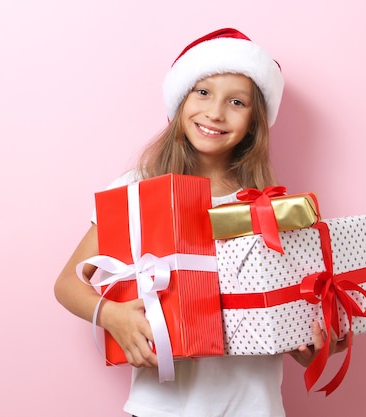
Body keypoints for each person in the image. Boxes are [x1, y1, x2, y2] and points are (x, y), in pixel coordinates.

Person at [54, 28, 349, 417]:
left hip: (255, 408)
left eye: (237, 101)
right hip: (163, 407)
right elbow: (66, 283)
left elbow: (299, 320)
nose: (215, 112)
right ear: (181, 100)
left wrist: (314, 340)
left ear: (254, 122)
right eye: (203, 92)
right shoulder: (137, 189)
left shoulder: (271, 206)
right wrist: (112, 315)